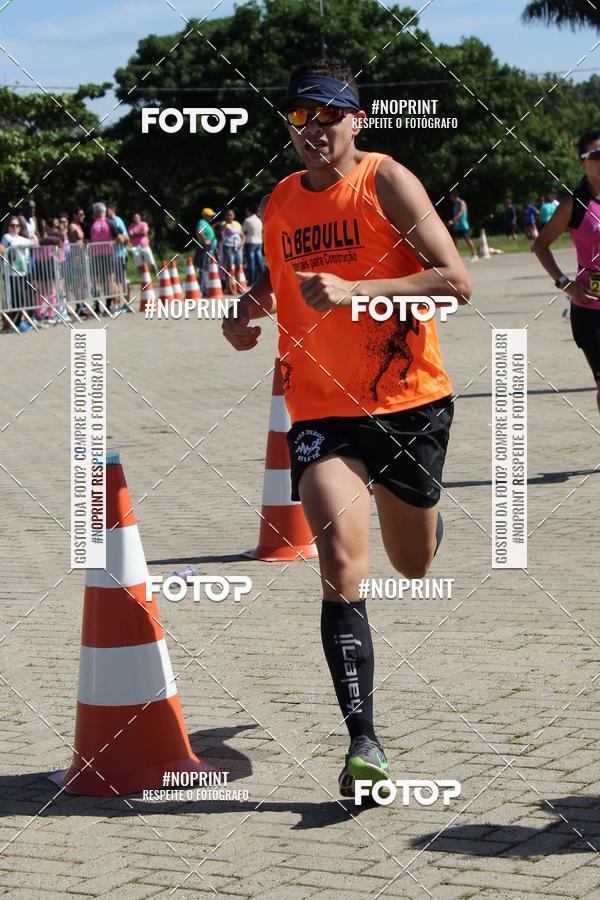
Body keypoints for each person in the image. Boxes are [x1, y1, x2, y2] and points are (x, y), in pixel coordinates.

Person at [222, 56, 471, 800]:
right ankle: (364, 743)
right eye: (300, 115)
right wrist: (245, 310)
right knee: (338, 563)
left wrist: (356, 291)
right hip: (320, 408)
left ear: (355, 119)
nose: (314, 128)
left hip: (407, 402)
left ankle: (425, 519)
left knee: (413, 564)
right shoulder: (280, 198)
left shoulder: (386, 180)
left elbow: (455, 282)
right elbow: (279, 273)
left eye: (328, 114)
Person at [533, 127, 600, 415]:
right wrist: (565, 283)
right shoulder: (574, 205)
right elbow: (540, 245)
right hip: (591, 311)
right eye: (596, 154)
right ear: (583, 162)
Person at [1, 215, 38, 331]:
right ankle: (15, 324)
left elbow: (35, 243)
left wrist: (32, 241)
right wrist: (30, 242)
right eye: (12, 225)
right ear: (8, 227)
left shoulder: (20, 238)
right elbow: (13, 244)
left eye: (17, 226)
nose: (15, 228)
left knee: (21, 299)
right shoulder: (6, 237)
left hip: (23, 272)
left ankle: (17, 323)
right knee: (16, 299)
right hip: (11, 273)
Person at [88, 202, 120, 312]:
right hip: (108, 255)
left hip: (94, 256)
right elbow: (118, 238)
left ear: (95, 212)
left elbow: (86, 240)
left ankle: (97, 307)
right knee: (109, 281)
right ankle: (108, 305)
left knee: (95, 282)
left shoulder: (91, 224)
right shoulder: (110, 223)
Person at [447, 191, 478, 260]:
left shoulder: (462, 203)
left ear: (455, 196)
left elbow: (460, 213)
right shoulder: (455, 204)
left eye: (451, 197)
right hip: (457, 226)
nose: (451, 198)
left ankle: (474, 254)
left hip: (463, 226)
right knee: (455, 241)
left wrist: (452, 221)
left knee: (468, 240)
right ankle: (456, 257)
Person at [220, 208, 244, 293]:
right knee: (229, 267)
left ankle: (239, 288)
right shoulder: (224, 224)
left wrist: (242, 243)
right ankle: (229, 288)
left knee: (238, 267)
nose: (230, 216)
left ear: (234, 215)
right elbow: (221, 229)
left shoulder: (237, 223)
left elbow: (242, 235)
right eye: (228, 215)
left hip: (238, 247)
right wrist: (226, 222)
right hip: (228, 247)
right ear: (226, 216)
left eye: (231, 215)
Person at [195, 207, 218, 294]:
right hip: (205, 248)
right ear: (205, 216)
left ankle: (205, 287)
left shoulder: (205, 223)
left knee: (206, 267)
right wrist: (204, 241)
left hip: (209, 248)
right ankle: (204, 289)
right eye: (210, 215)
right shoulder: (202, 222)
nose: (212, 217)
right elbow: (199, 231)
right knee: (204, 268)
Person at [242, 203, 265, 284]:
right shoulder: (259, 220)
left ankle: (252, 281)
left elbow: (242, 232)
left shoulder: (247, 220)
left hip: (250, 242)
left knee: (251, 263)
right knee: (260, 262)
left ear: (249, 211)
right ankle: (264, 280)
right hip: (259, 242)